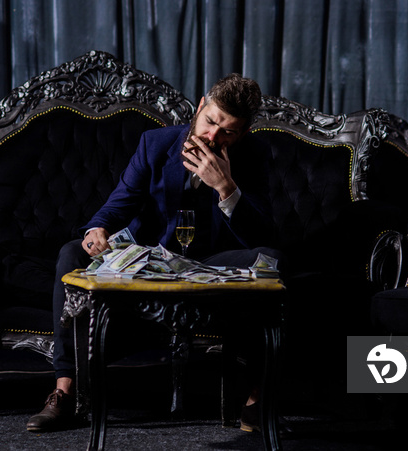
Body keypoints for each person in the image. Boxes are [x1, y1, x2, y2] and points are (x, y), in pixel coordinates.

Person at [26, 73, 282, 433]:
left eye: (228, 132)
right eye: (210, 122)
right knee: (72, 252)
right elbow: (119, 202)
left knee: (269, 261)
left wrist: (225, 186)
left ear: (244, 132)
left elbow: (263, 235)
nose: (213, 137)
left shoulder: (253, 156)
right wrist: (96, 229)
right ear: (200, 106)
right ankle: (65, 391)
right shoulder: (156, 144)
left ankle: (255, 400)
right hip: (152, 257)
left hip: (212, 263)